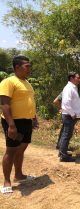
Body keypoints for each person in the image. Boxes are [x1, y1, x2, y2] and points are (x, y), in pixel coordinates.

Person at [0, 55, 39, 194]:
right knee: (11, 151)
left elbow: (29, 101)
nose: (29, 68)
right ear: (17, 67)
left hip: (26, 121)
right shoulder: (8, 82)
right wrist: (11, 125)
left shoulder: (27, 82)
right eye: (27, 66)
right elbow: (4, 104)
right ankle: (6, 181)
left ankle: (19, 175)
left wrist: (34, 118)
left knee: (21, 149)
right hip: (13, 121)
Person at [59, 72, 80, 162]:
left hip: (69, 115)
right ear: (72, 78)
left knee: (66, 134)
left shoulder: (72, 87)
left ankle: (62, 152)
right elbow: (66, 102)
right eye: (78, 77)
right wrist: (72, 114)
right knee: (66, 134)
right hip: (69, 115)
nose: (79, 79)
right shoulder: (69, 88)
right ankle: (64, 156)